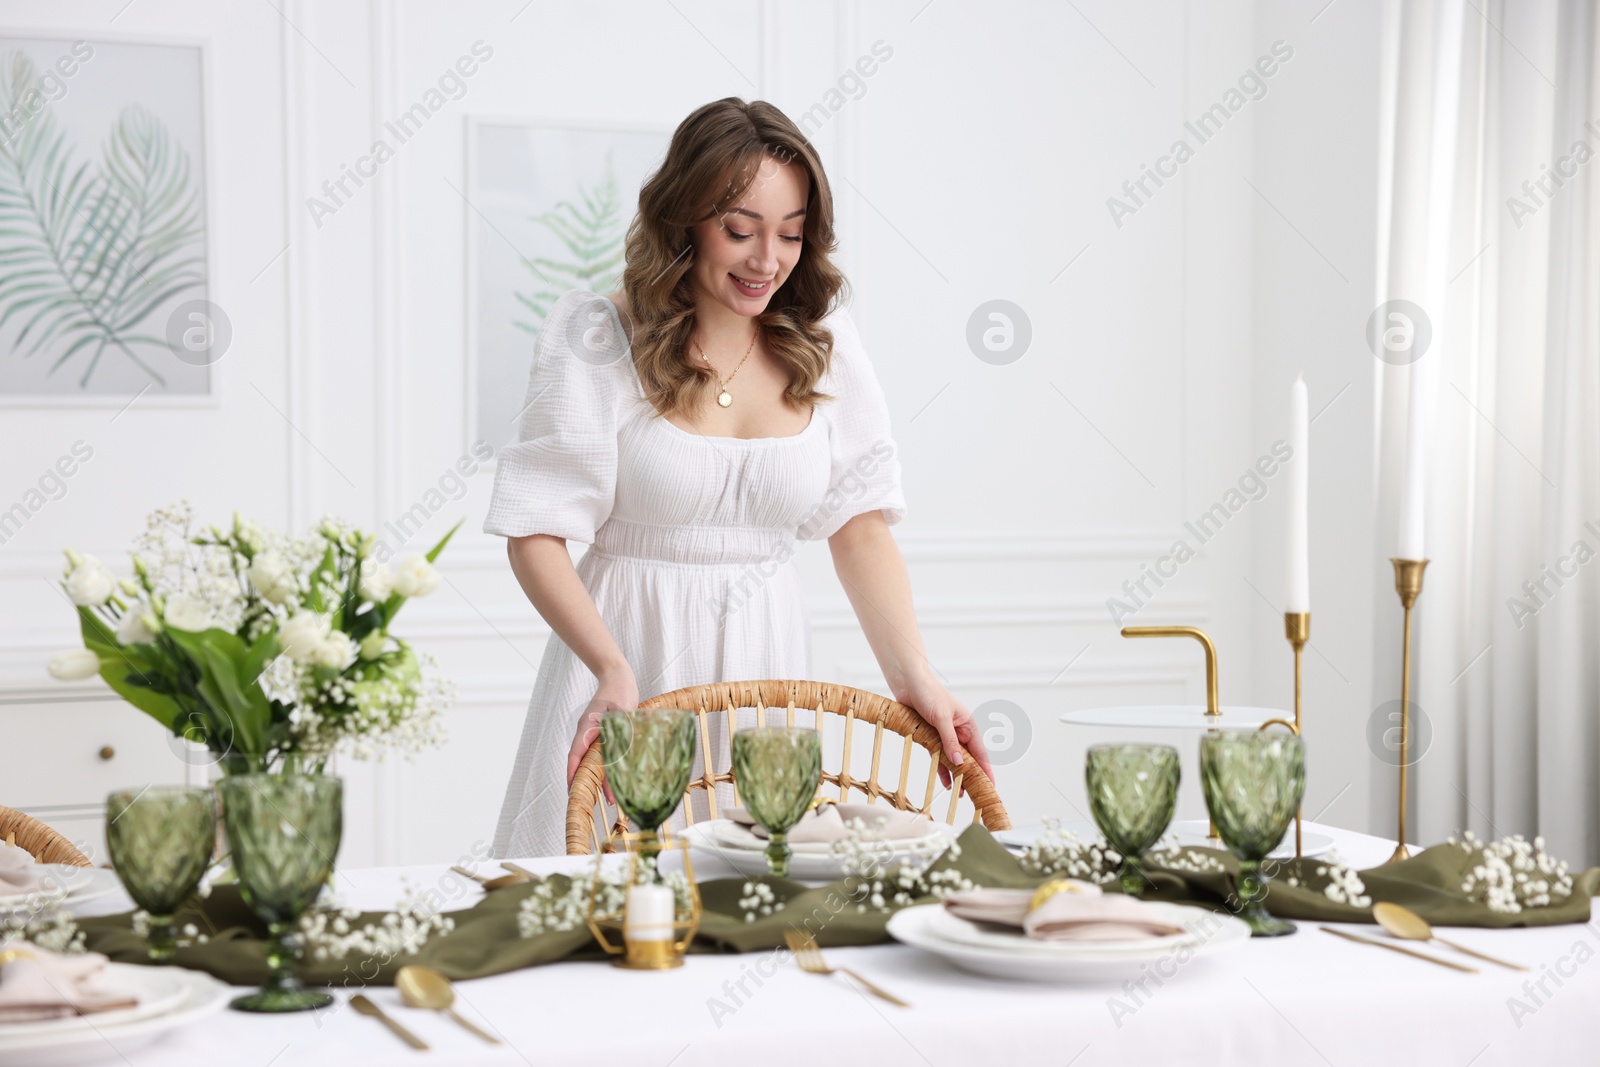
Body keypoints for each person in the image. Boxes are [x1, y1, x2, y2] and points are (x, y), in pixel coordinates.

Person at [484, 96, 994, 857]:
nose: (767, 261)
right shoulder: (598, 335)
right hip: (629, 657)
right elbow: (536, 530)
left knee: (754, 902)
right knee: (605, 913)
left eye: (790, 234)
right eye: (740, 230)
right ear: (683, 218)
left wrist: (914, 672)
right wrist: (610, 665)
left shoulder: (825, 343)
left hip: (767, 662)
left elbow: (859, 527)